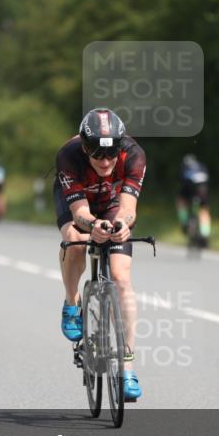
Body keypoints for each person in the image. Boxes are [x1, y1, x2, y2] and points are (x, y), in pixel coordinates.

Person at [54, 108, 147, 401]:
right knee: (76, 240)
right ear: (84, 148)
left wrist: (121, 225)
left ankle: (128, 369)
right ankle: (72, 303)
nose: (105, 161)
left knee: (121, 277)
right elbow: (80, 212)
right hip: (79, 203)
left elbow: (128, 208)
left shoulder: (134, 155)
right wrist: (93, 225)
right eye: (97, 155)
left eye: (111, 154)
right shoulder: (69, 155)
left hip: (111, 204)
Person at [177, 153, 211, 247]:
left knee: (181, 201)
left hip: (189, 188)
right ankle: (205, 234)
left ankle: (184, 222)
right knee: (204, 210)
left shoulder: (185, 167)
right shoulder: (201, 166)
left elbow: (181, 180)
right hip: (203, 189)